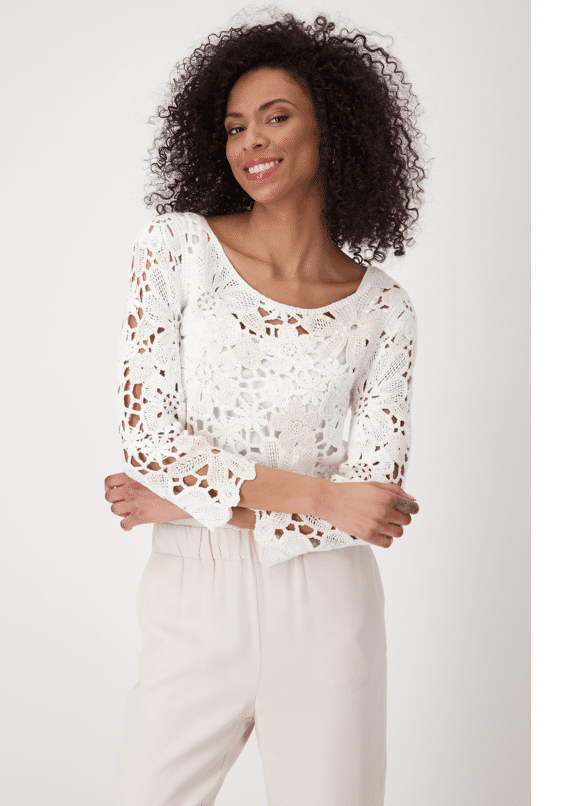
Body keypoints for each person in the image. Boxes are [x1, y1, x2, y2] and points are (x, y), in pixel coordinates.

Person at [104, 10, 427, 806]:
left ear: (333, 130)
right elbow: (150, 442)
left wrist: (193, 498)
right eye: (235, 126)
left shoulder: (384, 309)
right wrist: (316, 497)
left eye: (276, 118)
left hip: (328, 609)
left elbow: (371, 506)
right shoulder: (176, 251)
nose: (251, 141)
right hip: (193, 598)